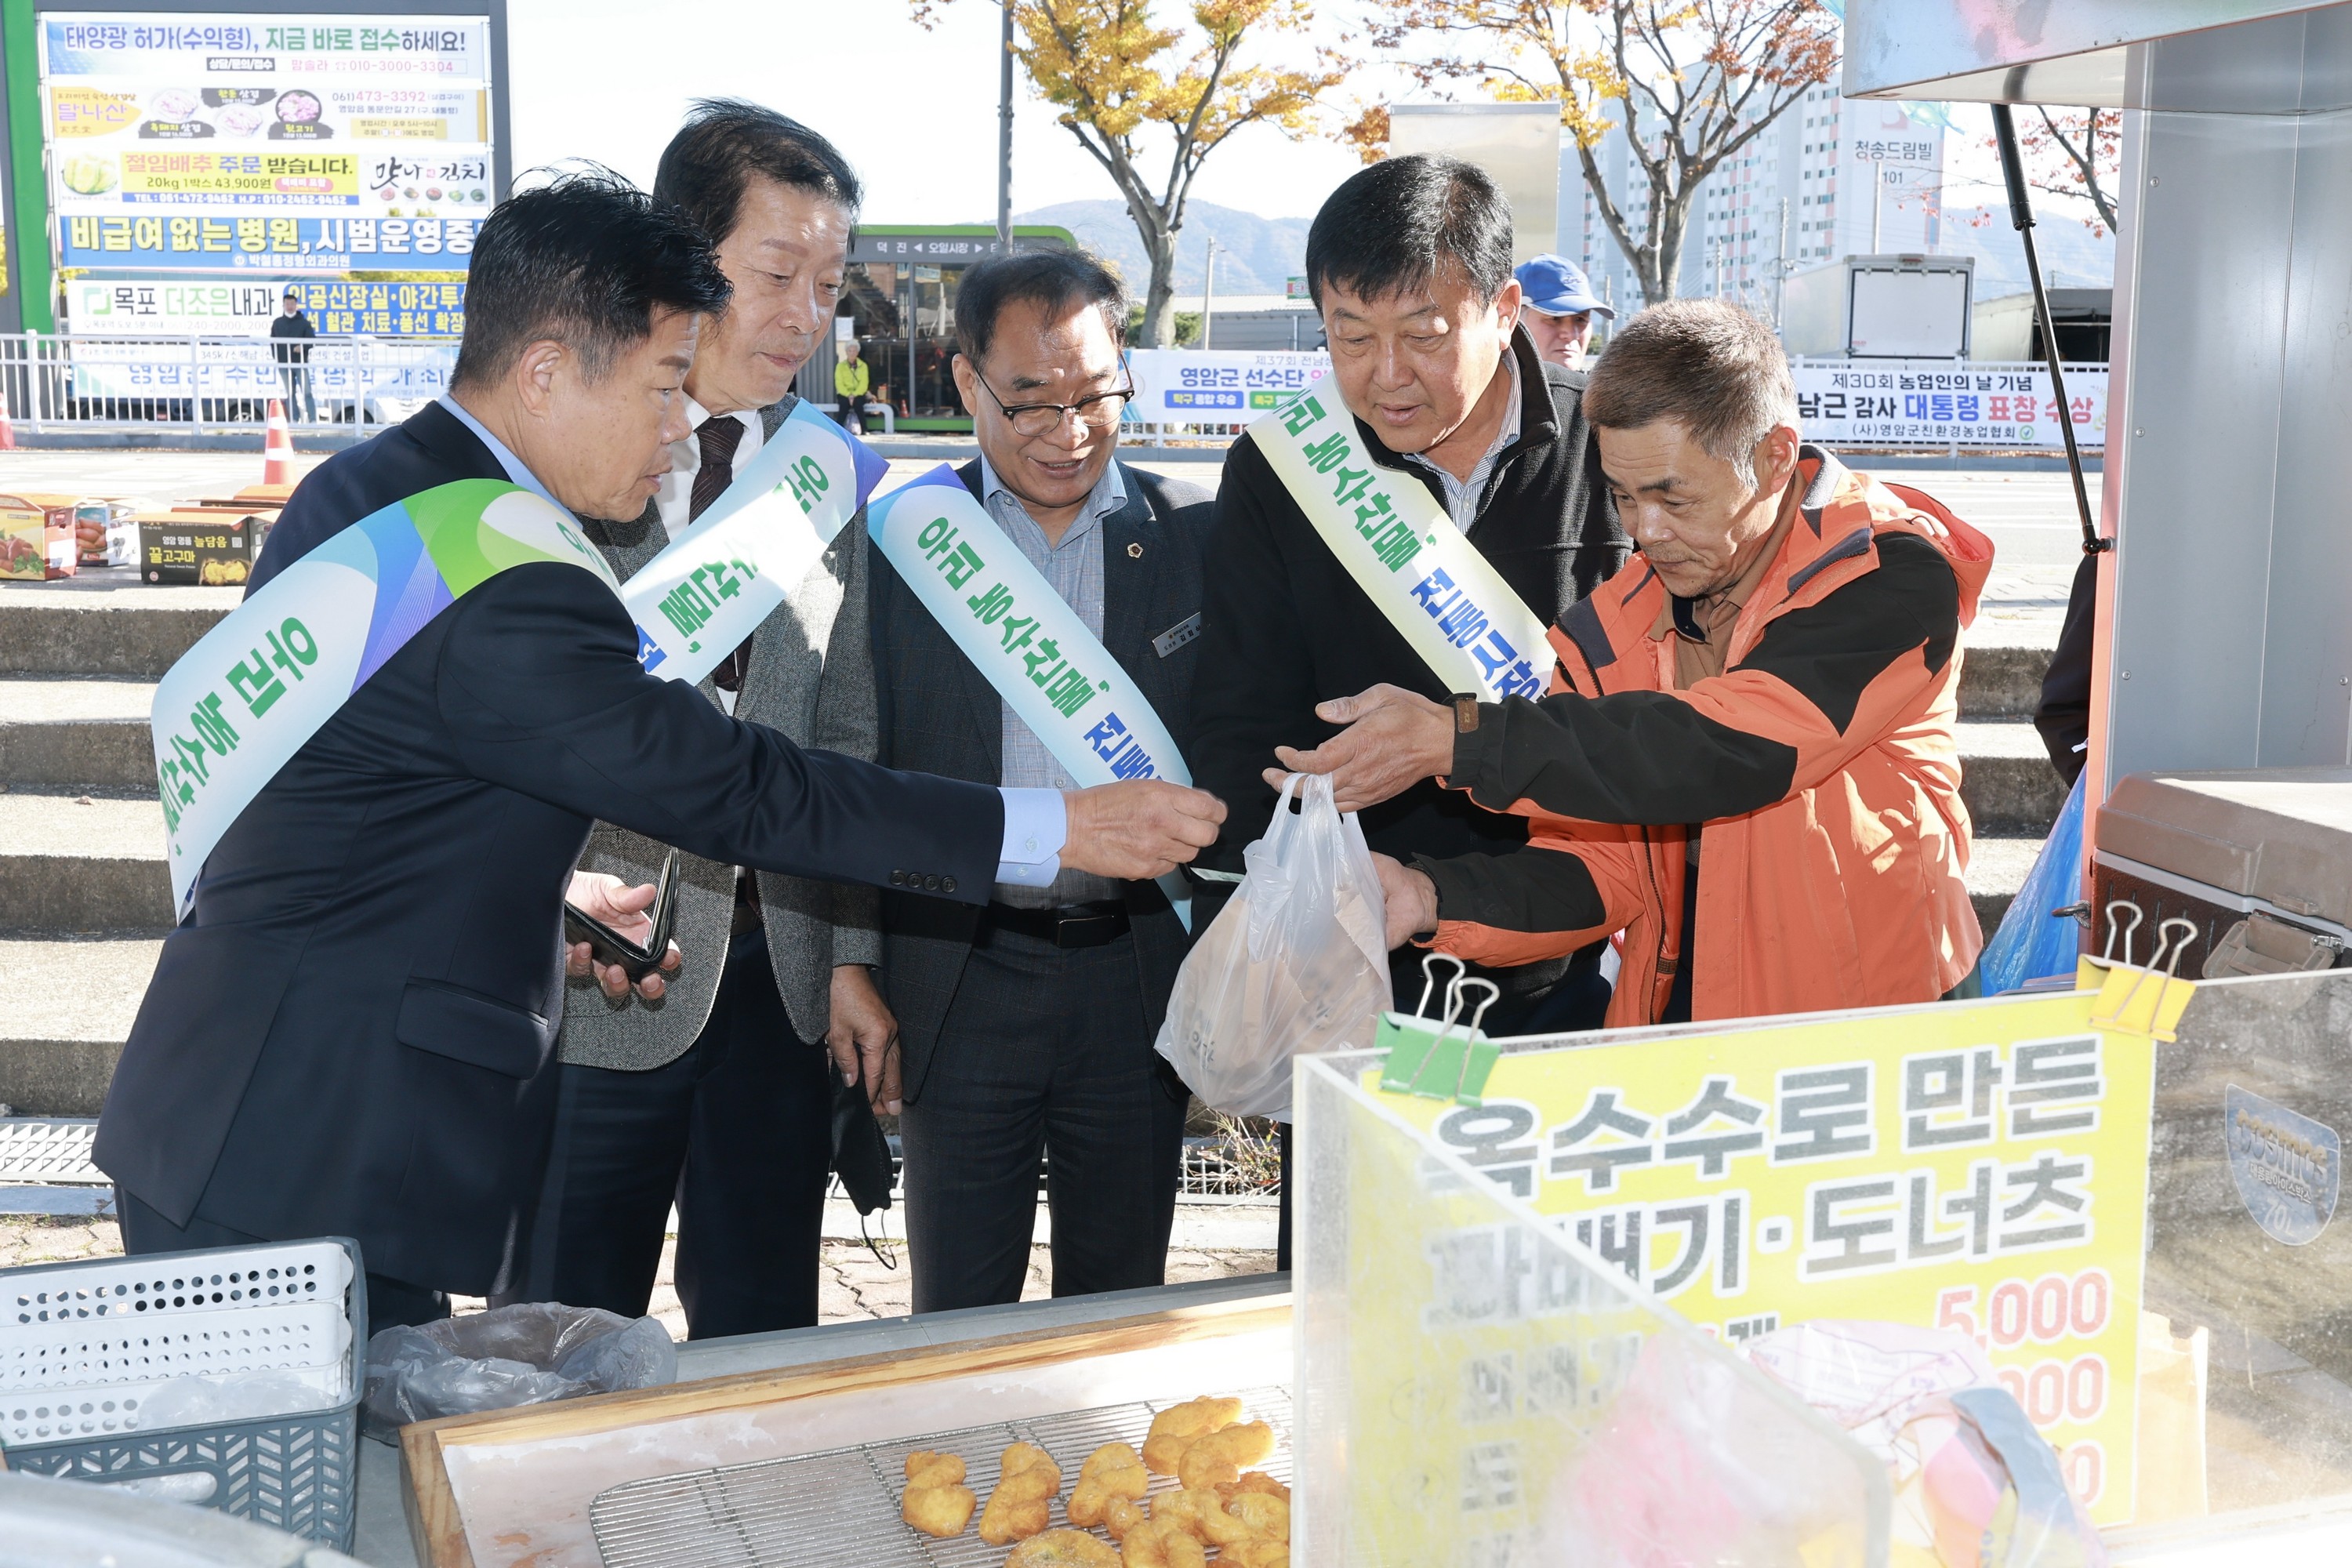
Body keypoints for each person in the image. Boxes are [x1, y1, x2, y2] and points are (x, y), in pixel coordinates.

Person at [94, 172, 1225, 1341]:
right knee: (320, 1496)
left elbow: (361, 790)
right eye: (663, 385)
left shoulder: (376, 489)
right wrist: (1055, 829)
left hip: (244, 1109)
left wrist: (551, 885)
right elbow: (736, 785)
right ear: (545, 372)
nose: (684, 423)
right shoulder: (511, 578)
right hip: (304, 1145)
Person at [1277, 299, 1993, 1027]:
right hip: (1680, 1028)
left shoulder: (1886, 573)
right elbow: (1602, 868)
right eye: (1622, 498)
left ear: (1775, 456)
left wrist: (1457, 739)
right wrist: (1428, 898)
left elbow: (1729, 746)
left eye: (1673, 497)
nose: (1647, 532)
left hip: (1885, 1024)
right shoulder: (1610, 628)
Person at [504, 103, 887, 1341]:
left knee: (763, 1328)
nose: (802, 314)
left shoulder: (827, 470)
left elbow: (849, 737)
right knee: (564, 1323)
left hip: (776, 992)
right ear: (683, 251)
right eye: (774, 273)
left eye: (827, 284)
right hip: (594, 978)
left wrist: (853, 959)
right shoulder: (569, 456)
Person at [1190, 154, 1628, 1047]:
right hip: (1357, 953)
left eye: (1423, 335)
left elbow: (1667, 704)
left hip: (1583, 948)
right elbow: (1241, 717)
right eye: (1350, 337)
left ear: (1505, 313)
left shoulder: (1613, 444)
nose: (1385, 375)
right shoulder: (1282, 470)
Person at [869, 249, 1213, 1313]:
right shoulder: (899, 544)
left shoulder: (1198, 536)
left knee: (1119, 1306)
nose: (1069, 433)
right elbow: (851, 763)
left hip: (1135, 976)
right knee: (958, 1316)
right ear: (967, 382)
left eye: (1095, 397)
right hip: (960, 972)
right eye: (1030, 404)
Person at [1512, 254, 1613, 372]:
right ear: (1511, 320)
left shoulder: (1599, 389)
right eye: (1554, 318)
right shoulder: (1489, 387)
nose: (1571, 335)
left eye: (1580, 319)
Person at [270, 287, 316, 422]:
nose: (290, 307)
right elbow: (273, 342)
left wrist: (302, 347)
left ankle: (312, 419)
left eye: (292, 304)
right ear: (283, 305)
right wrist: (277, 358)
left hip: (300, 362)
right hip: (284, 363)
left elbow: (311, 341)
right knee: (290, 393)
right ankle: (294, 419)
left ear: (296, 305)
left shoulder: (304, 322)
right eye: (287, 304)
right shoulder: (277, 323)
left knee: (306, 392)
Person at [834, 339, 869, 432]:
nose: (852, 353)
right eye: (850, 351)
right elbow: (839, 383)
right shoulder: (840, 366)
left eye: (854, 351)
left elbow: (864, 383)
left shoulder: (863, 366)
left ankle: (864, 429)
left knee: (858, 404)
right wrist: (848, 395)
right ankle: (838, 430)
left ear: (858, 352)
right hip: (844, 393)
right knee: (844, 405)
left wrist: (854, 395)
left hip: (858, 394)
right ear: (846, 352)